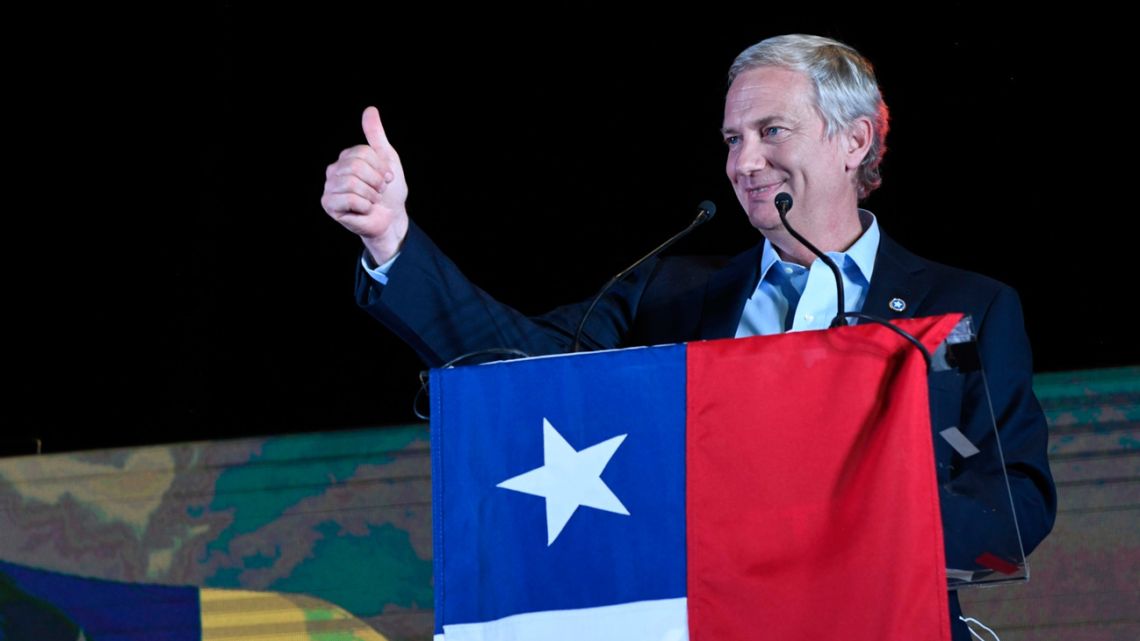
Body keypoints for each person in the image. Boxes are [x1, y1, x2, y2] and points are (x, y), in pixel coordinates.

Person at [321, 33, 1056, 641]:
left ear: (855, 140)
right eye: (733, 139)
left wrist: (870, 522)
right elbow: (518, 368)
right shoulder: (667, 294)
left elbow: (1014, 503)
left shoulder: (963, 309)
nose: (743, 163)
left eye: (772, 132)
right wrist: (394, 239)